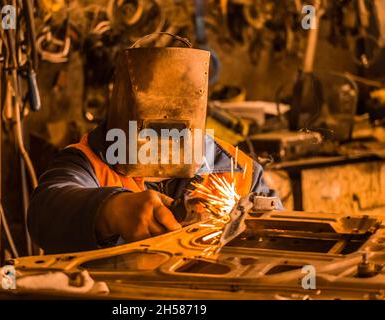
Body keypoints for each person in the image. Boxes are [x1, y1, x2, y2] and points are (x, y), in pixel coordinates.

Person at [27, 44, 281, 254]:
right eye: (152, 127)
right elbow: (44, 213)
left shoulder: (237, 169)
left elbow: (279, 242)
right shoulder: (87, 163)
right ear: (120, 104)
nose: (163, 136)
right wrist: (111, 210)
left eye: (176, 123)